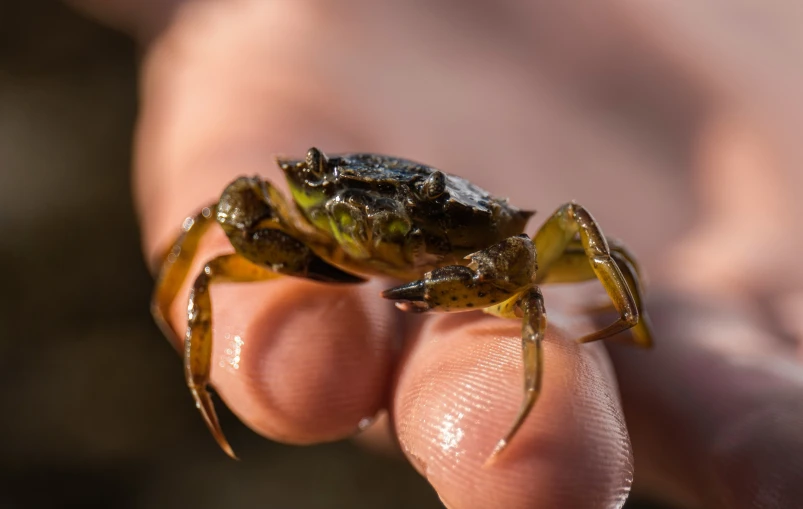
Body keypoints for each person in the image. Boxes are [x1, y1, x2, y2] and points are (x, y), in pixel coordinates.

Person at [68, 1, 803, 507]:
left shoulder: (505, 242)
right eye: (338, 198)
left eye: (402, 217)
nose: (369, 221)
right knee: (216, 252)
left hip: (471, 244)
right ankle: (201, 383)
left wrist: (624, 316)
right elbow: (224, 213)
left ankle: (574, 365)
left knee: (570, 253)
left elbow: (569, 245)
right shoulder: (298, 202)